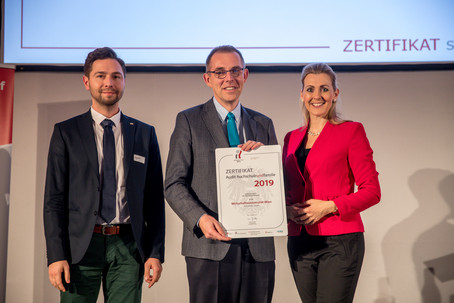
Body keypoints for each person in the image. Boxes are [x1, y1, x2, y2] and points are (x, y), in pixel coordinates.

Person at [43, 47, 165, 303]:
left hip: (128, 247)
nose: (109, 83)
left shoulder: (144, 134)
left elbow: (155, 201)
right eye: (101, 76)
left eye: (116, 76)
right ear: (87, 82)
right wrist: (56, 255)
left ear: (124, 81)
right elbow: (54, 200)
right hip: (80, 249)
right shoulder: (66, 132)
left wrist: (155, 252)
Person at [165, 45, 277, 303]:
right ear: (208, 79)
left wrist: (264, 162)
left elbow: (275, 184)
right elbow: (173, 184)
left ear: (245, 75)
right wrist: (200, 219)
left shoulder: (263, 124)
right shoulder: (189, 120)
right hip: (209, 245)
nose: (229, 78)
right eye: (220, 72)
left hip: (257, 248)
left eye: (236, 70)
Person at [282, 63, 381, 302]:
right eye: (310, 89)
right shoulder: (291, 138)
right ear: (302, 94)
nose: (317, 96)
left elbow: (372, 191)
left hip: (340, 242)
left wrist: (328, 206)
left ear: (335, 94)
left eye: (324, 89)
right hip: (299, 242)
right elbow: (285, 191)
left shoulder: (351, 131)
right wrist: (286, 211)